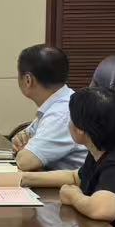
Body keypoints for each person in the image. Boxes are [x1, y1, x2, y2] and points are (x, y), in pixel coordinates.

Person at [18, 86, 115, 227]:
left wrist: (73, 197)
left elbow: (102, 210)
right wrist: (24, 179)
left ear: (80, 129)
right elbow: (76, 177)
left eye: (71, 119)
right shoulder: (102, 150)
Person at [11, 44, 82, 173]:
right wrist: (22, 143)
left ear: (28, 80)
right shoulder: (58, 102)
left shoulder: (62, 113)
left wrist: (25, 150)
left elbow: (26, 161)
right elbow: (21, 139)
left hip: (72, 185)